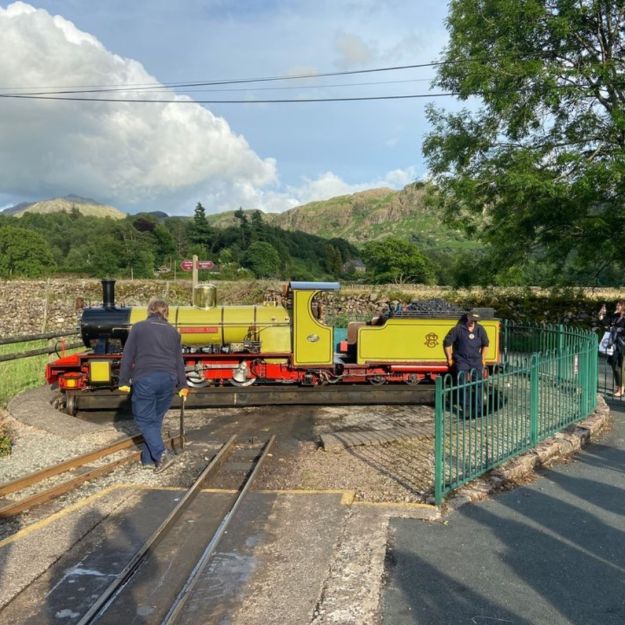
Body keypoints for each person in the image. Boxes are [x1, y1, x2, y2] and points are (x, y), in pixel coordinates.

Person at [118, 297, 189, 471]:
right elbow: (179, 361)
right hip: (169, 380)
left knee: (143, 418)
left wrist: (124, 380)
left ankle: (161, 454)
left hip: (146, 378)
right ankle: (148, 460)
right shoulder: (173, 332)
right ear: (167, 312)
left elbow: (128, 355)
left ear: (149, 310)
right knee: (155, 419)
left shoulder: (139, 327)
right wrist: (183, 385)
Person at [443, 311, 489, 418]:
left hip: (476, 360)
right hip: (462, 360)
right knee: (463, 384)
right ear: (468, 318)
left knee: (478, 384)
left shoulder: (480, 329)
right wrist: (449, 358)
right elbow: (447, 343)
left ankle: (478, 409)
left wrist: (483, 358)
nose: (473, 322)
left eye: (475, 321)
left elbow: (485, 344)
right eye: (472, 320)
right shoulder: (458, 329)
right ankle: (466, 409)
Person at [599, 300, 625, 397]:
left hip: (622, 345)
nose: (617, 307)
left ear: (623, 307)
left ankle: (621, 389)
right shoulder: (615, 316)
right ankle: (619, 386)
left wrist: (615, 329)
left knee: (621, 367)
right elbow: (605, 322)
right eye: (617, 305)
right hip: (614, 345)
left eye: (619, 305)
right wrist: (601, 315)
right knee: (614, 364)